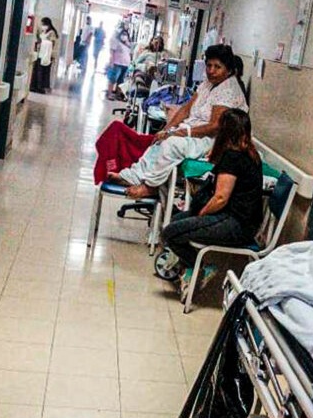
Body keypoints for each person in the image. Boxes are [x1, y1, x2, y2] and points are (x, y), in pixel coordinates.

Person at [106, 44, 248, 198]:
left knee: (172, 144)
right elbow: (186, 109)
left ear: (228, 70)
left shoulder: (229, 90)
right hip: (193, 131)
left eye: (217, 67)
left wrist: (182, 132)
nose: (211, 70)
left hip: (212, 140)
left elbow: (215, 126)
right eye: (209, 65)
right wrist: (166, 129)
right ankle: (133, 176)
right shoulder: (207, 84)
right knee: (159, 140)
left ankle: (151, 186)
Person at [161, 108, 263, 285]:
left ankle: (201, 268)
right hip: (244, 223)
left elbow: (220, 198)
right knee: (176, 220)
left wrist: (202, 214)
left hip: (235, 224)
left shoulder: (233, 158)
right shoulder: (250, 154)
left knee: (170, 233)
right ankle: (189, 267)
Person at [30, 17, 58, 94]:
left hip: (46, 54)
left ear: (47, 24)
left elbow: (52, 43)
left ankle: (40, 88)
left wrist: (43, 43)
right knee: (37, 70)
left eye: (43, 24)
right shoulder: (43, 31)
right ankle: (34, 86)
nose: (42, 26)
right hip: (40, 53)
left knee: (42, 72)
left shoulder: (51, 32)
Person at [106, 29, 132, 100]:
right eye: (123, 34)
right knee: (113, 79)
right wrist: (111, 62)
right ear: (120, 35)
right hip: (117, 63)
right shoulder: (116, 42)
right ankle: (109, 94)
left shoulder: (128, 45)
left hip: (125, 65)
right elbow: (112, 52)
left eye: (125, 35)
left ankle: (118, 95)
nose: (124, 36)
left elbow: (129, 54)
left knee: (121, 81)